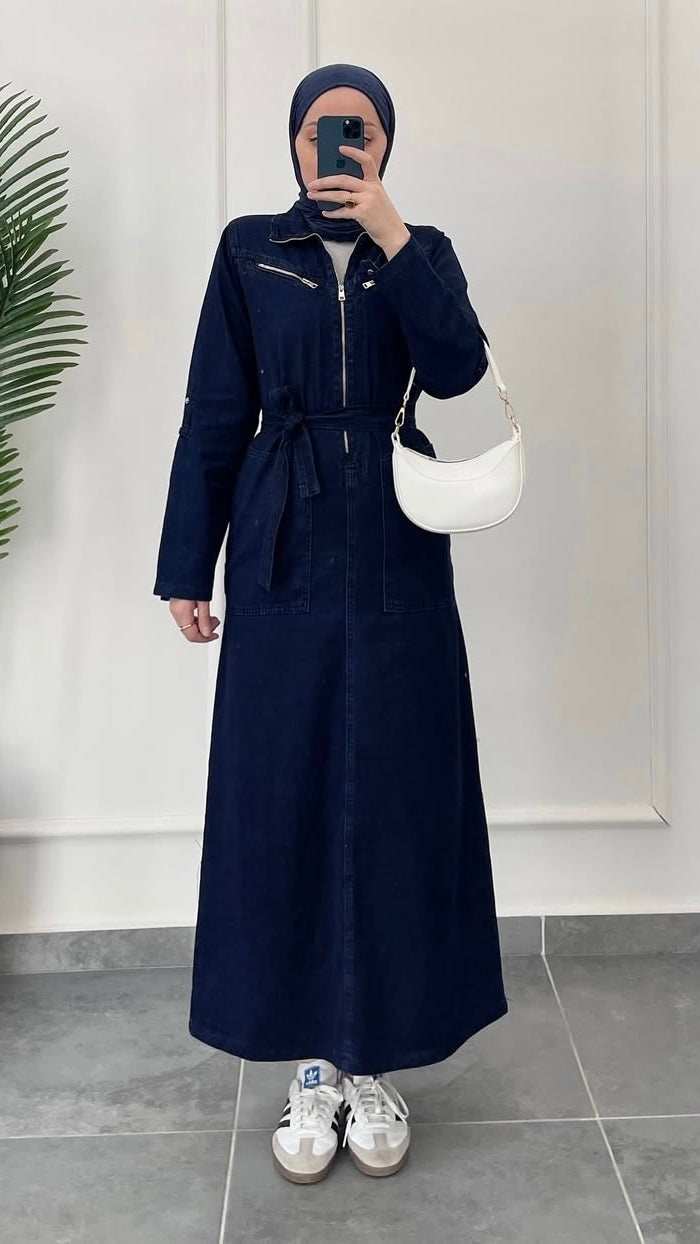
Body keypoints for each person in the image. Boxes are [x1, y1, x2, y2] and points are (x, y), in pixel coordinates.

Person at [153, 62, 509, 1184]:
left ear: (385, 144)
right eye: (320, 128)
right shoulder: (249, 249)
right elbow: (215, 410)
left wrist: (394, 237)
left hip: (398, 546)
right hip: (281, 544)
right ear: (293, 142)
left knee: (398, 793)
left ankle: (373, 1061)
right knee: (284, 792)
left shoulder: (424, 248)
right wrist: (185, 565)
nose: (337, 145)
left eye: (358, 129)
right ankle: (312, 1060)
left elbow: (458, 369)